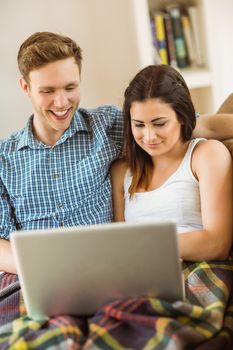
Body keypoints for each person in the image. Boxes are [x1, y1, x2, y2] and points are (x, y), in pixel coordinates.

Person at [0, 32, 233, 275]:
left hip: (107, 270)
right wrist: (42, 268)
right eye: (47, 91)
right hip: (33, 275)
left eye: (70, 87)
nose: (61, 102)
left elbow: (193, 125)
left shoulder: (108, 126)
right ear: (26, 87)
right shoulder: (4, 159)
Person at [111, 64, 233, 261]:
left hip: (192, 273)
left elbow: (217, 243)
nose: (149, 136)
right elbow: (122, 247)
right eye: (139, 125)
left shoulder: (206, 155)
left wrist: (144, 246)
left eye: (160, 123)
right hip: (137, 276)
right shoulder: (121, 172)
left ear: (183, 117)